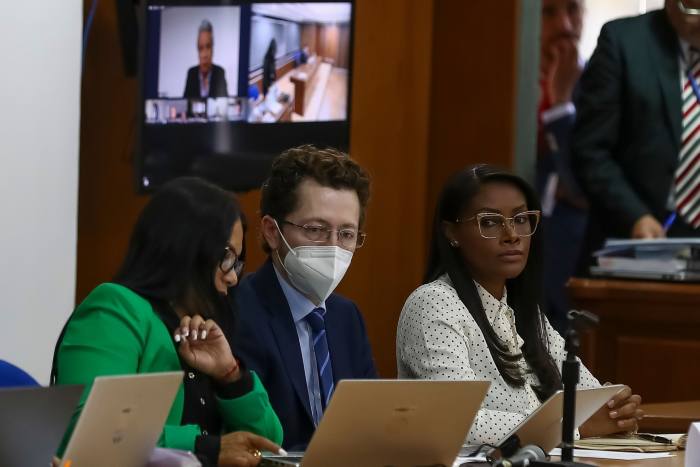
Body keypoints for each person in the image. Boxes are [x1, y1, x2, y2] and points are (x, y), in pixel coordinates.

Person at [396, 164, 643, 444]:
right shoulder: (434, 303)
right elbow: (456, 422)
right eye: (489, 221)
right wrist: (573, 426)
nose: (512, 234)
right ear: (451, 232)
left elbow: (588, 400)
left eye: (521, 219)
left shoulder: (522, 311)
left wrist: (615, 409)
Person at [52, 177, 283, 466]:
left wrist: (229, 375)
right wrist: (204, 447)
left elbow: (269, 445)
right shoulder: (117, 307)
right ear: (184, 246)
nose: (233, 276)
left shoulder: (206, 330)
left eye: (237, 262)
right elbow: (91, 433)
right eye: (226, 256)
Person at [234, 145, 377, 450]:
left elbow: (369, 425)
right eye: (316, 229)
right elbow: (253, 435)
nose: (333, 246)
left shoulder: (347, 317)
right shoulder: (238, 310)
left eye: (347, 234)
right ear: (272, 232)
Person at [572, 0, 700, 270]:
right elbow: (590, 150)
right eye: (693, 8)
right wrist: (634, 215)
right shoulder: (623, 42)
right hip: (638, 238)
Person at [536, 0, 588, 334]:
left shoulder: (600, 85)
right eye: (549, 12)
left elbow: (582, 187)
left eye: (573, 9)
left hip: (570, 269)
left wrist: (561, 105)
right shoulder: (504, 86)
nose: (566, 25)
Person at [184, 20, 228, 99]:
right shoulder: (191, 73)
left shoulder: (220, 73)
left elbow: (224, 103)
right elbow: (185, 104)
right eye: (201, 48)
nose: (204, 55)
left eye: (208, 47)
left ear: (212, 50)